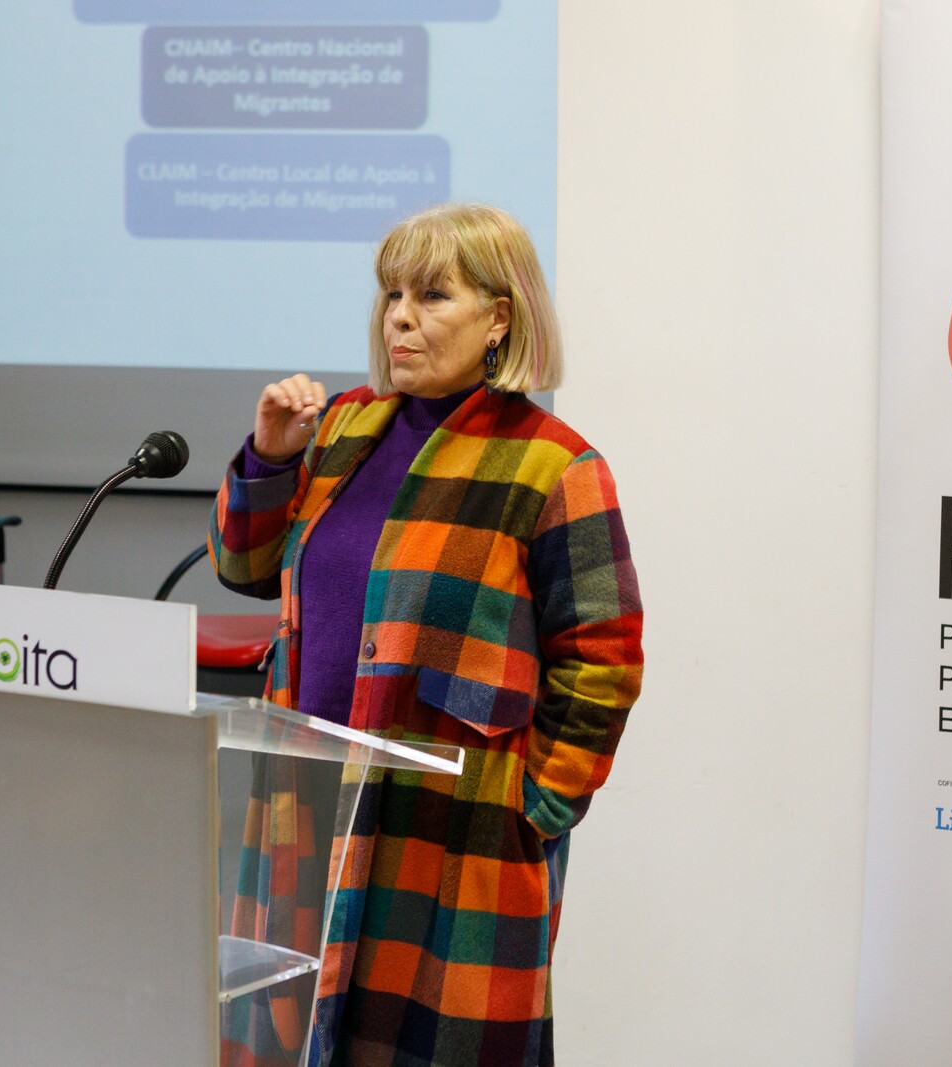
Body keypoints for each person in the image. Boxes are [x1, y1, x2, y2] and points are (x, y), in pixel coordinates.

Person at [210, 203, 644, 1067]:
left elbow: (605, 659)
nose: (399, 317)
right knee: (288, 1036)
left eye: (432, 296)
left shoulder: (555, 466)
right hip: (306, 808)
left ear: (500, 318)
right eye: (392, 295)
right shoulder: (343, 428)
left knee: (427, 1045)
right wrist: (271, 456)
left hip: (448, 833)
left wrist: (536, 810)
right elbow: (244, 564)